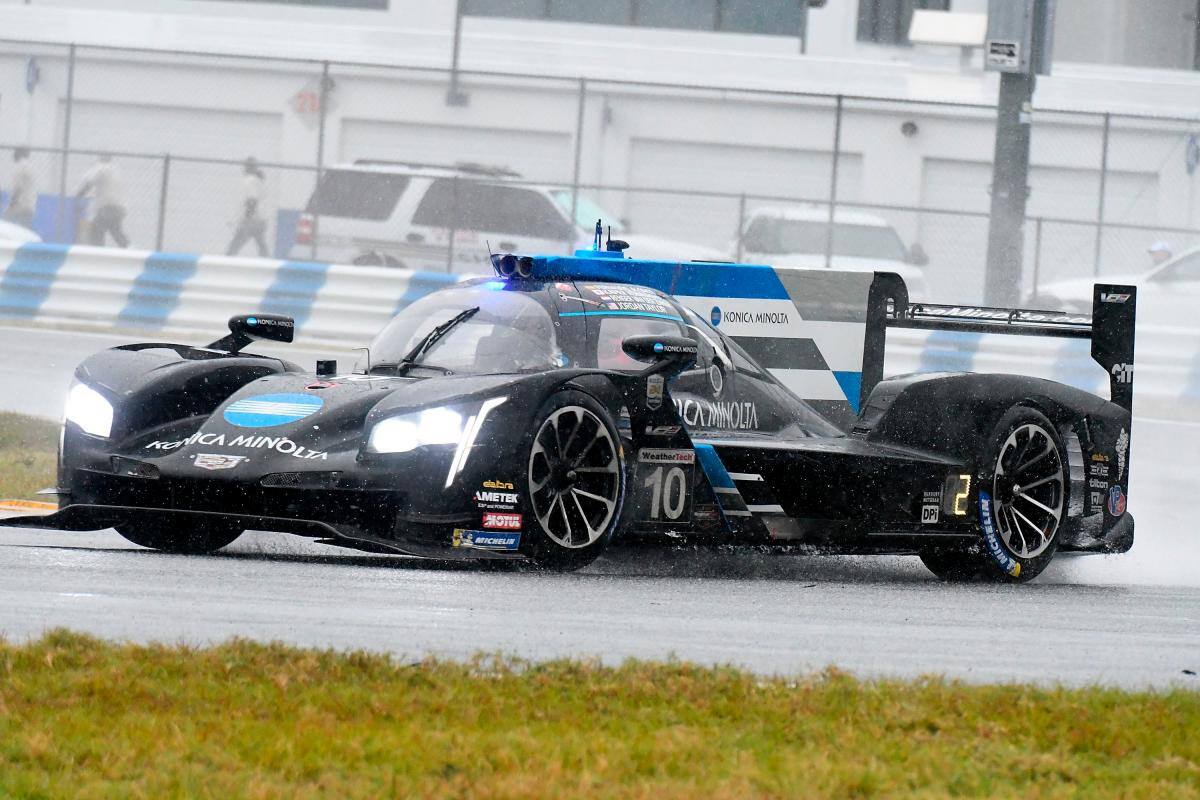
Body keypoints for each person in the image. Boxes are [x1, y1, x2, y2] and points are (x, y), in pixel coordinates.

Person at [75, 154, 129, 248]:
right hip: (120, 207)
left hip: (107, 206)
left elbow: (89, 183)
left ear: (101, 159)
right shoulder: (115, 170)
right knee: (115, 231)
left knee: (96, 231)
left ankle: (98, 252)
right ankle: (128, 248)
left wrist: (78, 196)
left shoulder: (101, 168)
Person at [227, 157, 269, 257]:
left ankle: (226, 262)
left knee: (235, 245)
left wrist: (246, 218)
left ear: (247, 168)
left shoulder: (250, 180)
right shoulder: (259, 181)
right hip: (260, 219)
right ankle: (268, 262)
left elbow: (252, 200)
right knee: (261, 245)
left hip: (251, 220)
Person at [4, 148, 36, 230]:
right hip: (30, 203)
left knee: (5, 219)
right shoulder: (30, 166)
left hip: (20, 203)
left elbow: (17, 188)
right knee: (26, 226)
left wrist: (11, 203)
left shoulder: (19, 167)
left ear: (18, 154)